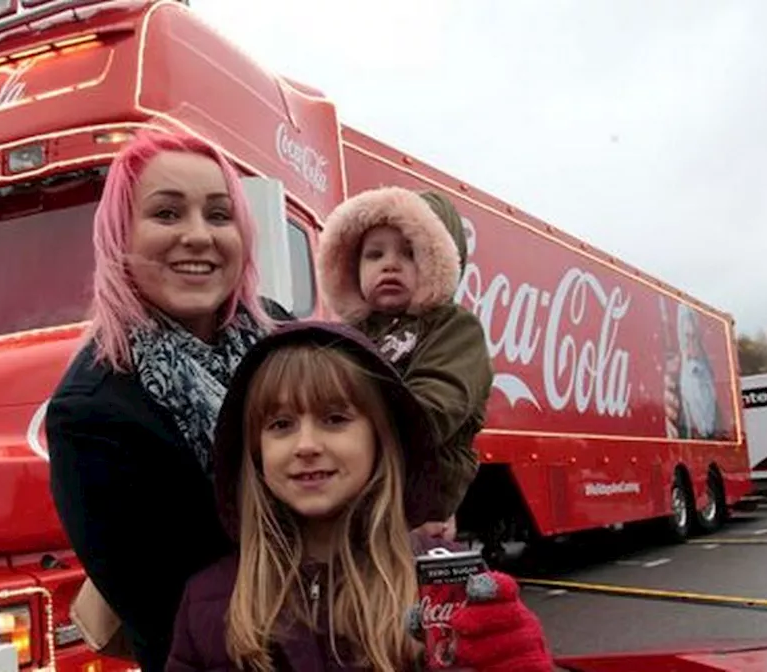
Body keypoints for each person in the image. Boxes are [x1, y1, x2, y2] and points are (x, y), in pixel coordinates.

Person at [165, 321, 551, 671]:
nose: (306, 445)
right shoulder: (208, 599)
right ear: (255, 453)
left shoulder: (449, 583)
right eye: (281, 425)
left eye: (335, 419)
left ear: (380, 439)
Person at [45, 130, 290, 672]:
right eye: (167, 214)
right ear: (120, 236)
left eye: (219, 215)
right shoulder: (91, 414)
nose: (199, 236)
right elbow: (168, 622)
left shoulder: (285, 342)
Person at [317, 186, 492, 540]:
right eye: (373, 254)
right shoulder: (344, 337)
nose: (390, 264)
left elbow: (431, 410)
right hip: (356, 504)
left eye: (410, 252)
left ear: (441, 260)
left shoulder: (454, 328)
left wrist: (339, 428)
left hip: (416, 508)